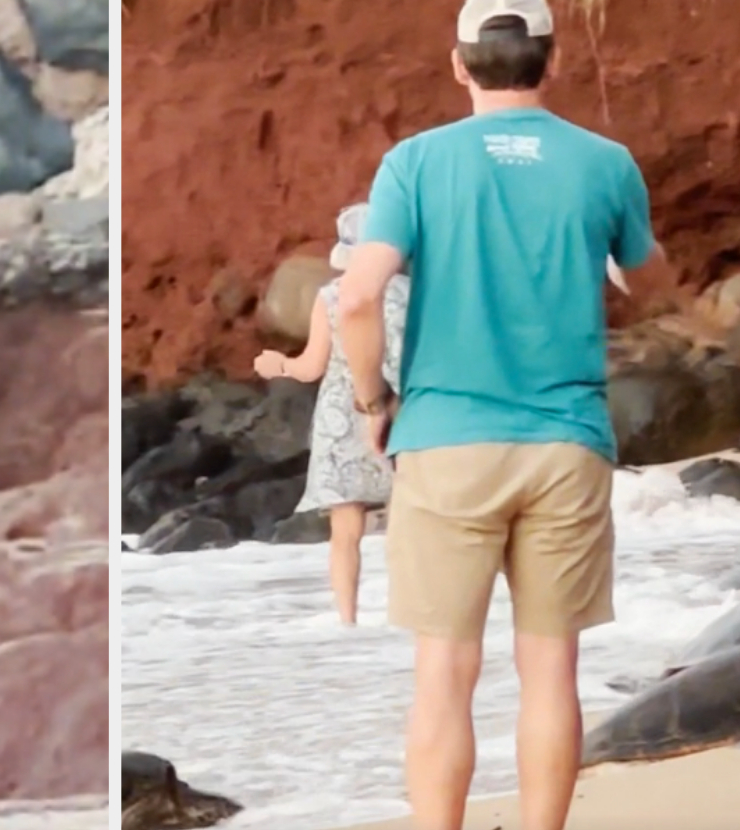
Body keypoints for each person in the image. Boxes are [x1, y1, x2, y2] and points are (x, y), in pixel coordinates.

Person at [332, 2, 677, 830]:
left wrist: (373, 401)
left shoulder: (414, 164)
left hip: (445, 441)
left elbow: (357, 296)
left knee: (444, 673)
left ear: (459, 65)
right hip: (567, 440)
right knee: (550, 671)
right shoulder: (605, 163)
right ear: (550, 64)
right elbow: (653, 285)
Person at [252, 203, 409, 626]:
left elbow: (311, 367)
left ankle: (348, 619)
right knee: (408, 522)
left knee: (345, 531)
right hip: (403, 412)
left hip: (343, 415)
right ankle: (407, 612)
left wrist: (277, 364)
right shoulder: (412, 295)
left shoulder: (333, 296)